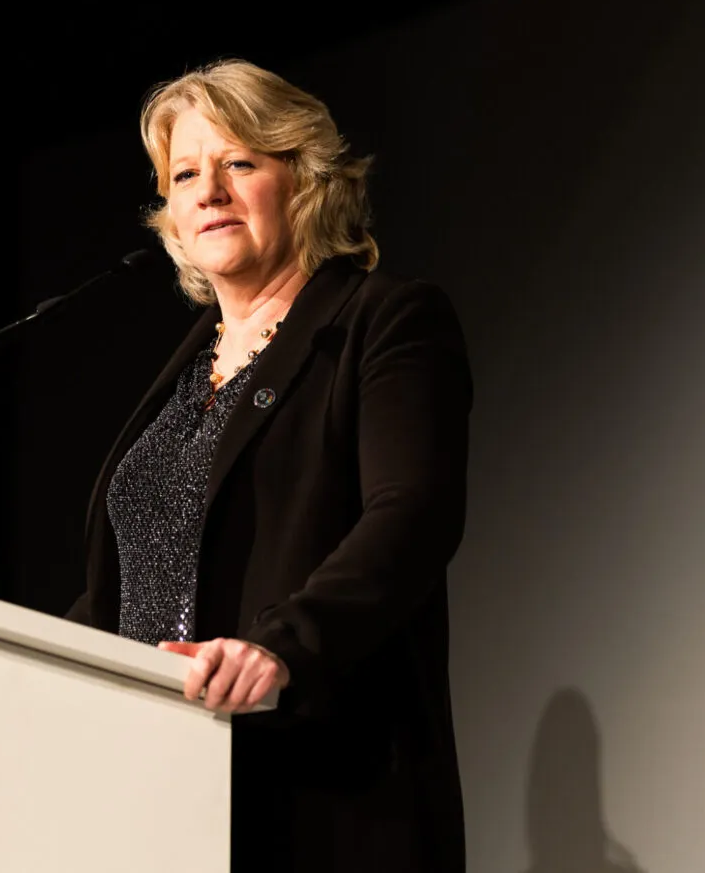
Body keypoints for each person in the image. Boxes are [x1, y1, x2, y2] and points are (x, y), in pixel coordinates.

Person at [65, 59, 473, 872]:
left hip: (315, 790)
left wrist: (282, 648)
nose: (208, 190)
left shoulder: (382, 321)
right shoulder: (181, 378)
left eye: (239, 163)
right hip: (151, 798)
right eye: (185, 174)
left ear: (306, 180)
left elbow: (411, 514)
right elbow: (125, 582)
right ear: (171, 215)